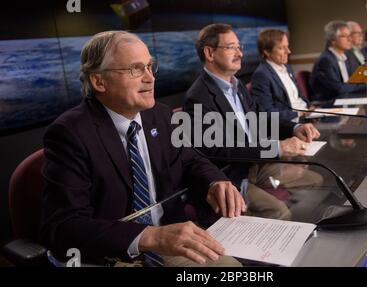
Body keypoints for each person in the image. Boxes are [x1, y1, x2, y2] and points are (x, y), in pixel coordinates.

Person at [39, 31, 244, 267]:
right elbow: (63, 225)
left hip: (168, 239)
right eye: (135, 69)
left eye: (149, 66)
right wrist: (149, 236)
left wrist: (215, 182)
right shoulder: (70, 133)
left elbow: (190, 160)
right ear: (99, 81)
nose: (150, 78)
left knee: (232, 268)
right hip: (110, 254)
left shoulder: (162, 115)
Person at [183, 23, 322, 221]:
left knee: (315, 181)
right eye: (231, 47)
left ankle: (304, 231)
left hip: (257, 163)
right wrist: (275, 148)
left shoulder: (237, 84)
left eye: (239, 47)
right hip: (232, 176)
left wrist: (295, 127)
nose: (240, 53)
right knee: (278, 211)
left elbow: (260, 116)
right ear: (209, 53)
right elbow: (219, 150)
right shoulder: (197, 97)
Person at [251, 29, 312, 123]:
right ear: (267, 52)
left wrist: (310, 108)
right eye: (281, 48)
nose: (288, 51)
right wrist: (300, 113)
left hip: (307, 115)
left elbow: (298, 97)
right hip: (290, 123)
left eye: (287, 46)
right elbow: (267, 113)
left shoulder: (287, 67)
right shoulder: (261, 75)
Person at [309, 21, 367, 102]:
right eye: (344, 36)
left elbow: (352, 81)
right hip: (327, 104)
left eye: (350, 36)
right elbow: (339, 88)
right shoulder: (326, 61)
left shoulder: (345, 58)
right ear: (333, 39)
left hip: (344, 99)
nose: (350, 39)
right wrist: (366, 85)